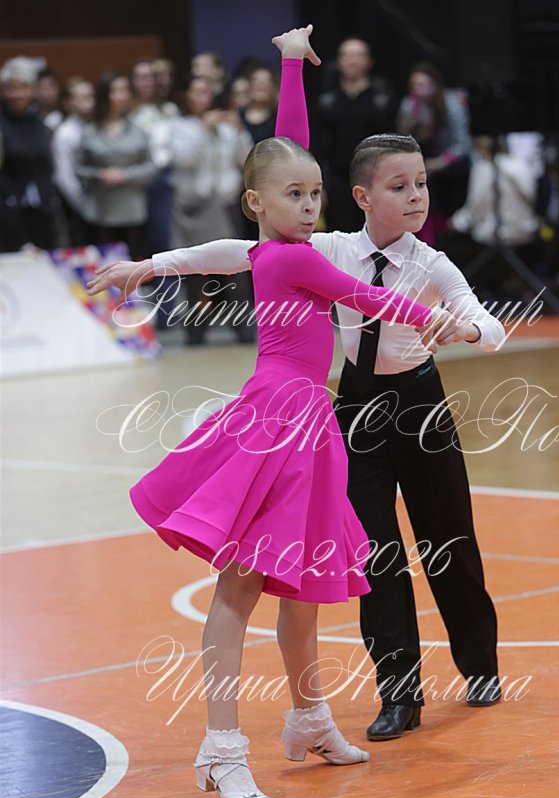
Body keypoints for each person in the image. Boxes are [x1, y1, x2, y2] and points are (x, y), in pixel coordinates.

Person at [88, 31, 506, 743]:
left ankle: (479, 664)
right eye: (400, 186)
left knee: (449, 540)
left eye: (421, 184)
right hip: (349, 405)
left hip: (419, 403)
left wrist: (465, 327)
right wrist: (156, 264)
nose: (415, 196)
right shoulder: (324, 248)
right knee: (375, 553)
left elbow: (486, 324)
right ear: (363, 196)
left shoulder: (432, 262)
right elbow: (275, 182)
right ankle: (397, 694)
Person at [168, 72, 253, 346]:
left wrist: (239, 131)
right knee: (198, 270)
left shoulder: (225, 125)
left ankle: (243, 328)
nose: (205, 96)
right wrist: (204, 130)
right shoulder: (179, 126)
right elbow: (185, 161)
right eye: (199, 91)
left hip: (227, 204)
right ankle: (196, 331)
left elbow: (246, 161)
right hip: (198, 208)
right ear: (186, 96)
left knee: (237, 267)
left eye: (208, 91)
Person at [314, 37, 396, 232]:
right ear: (339, 61)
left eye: (358, 56)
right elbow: (318, 147)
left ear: (369, 61)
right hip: (337, 181)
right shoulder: (327, 101)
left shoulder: (381, 100)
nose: (352, 61)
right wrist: (318, 186)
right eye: (347, 56)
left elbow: (392, 146)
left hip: (374, 179)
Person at [76, 72, 156, 259]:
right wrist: (99, 175)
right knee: (102, 265)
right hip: (99, 209)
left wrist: (126, 175)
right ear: (104, 95)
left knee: (133, 266)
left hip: (132, 209)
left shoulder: (137, 130)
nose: (122, 96)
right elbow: (78, 169)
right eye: (116, 91)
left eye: (125, 90)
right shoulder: (89, 130)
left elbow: (150, 167)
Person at [397, 62, 472, 245]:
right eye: (414, 85)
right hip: (425, 159)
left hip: (454, 162)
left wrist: (441, 162)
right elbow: (403, 138)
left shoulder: (451, 104)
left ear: (434, 85)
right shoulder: (409, 104)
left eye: (423, 85)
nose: (418, 90)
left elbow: (463, 143)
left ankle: (447, 234)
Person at [0, 56, 62, 252]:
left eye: (23, 87)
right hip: (7, 210)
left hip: (43, 208)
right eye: (11, 88)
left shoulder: (40, 120)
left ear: (33, 89)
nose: (17, 94)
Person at [52, 77, 95, 247]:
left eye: (91, 96)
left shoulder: (95, 126)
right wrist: (83, 206)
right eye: (83, 98)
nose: (90, 102)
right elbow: (64, 177)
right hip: (77, 206)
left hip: (100, 205)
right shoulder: (65, 133)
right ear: (69, 102)